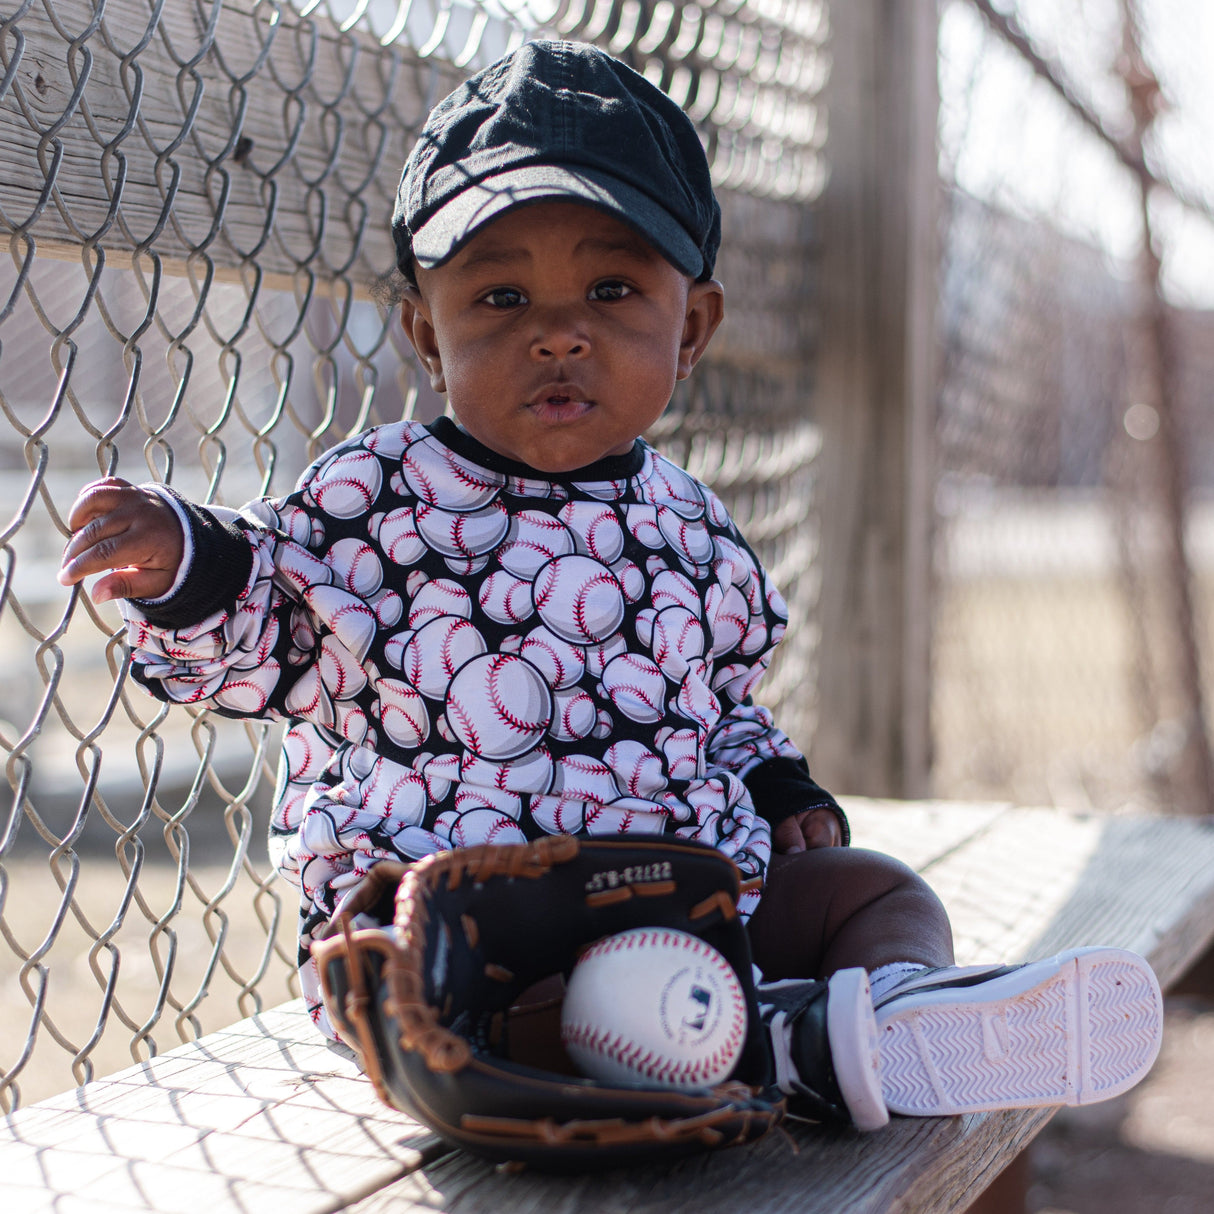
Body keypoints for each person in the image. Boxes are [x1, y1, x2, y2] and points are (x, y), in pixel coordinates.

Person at [57, 40, 1162, 1131]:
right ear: (426, 338)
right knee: (501, 1013)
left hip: (685, 891)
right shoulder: (371, 498)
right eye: (497, 296)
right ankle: (785, 1044)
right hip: (457, 927)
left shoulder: (691, 525)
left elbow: (716, 705)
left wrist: (774, 788)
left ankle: (892, 1014)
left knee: (878, 892)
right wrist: (191, 566)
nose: (555, 332)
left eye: (609, 287)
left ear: (688, 331)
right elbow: (268, 652)